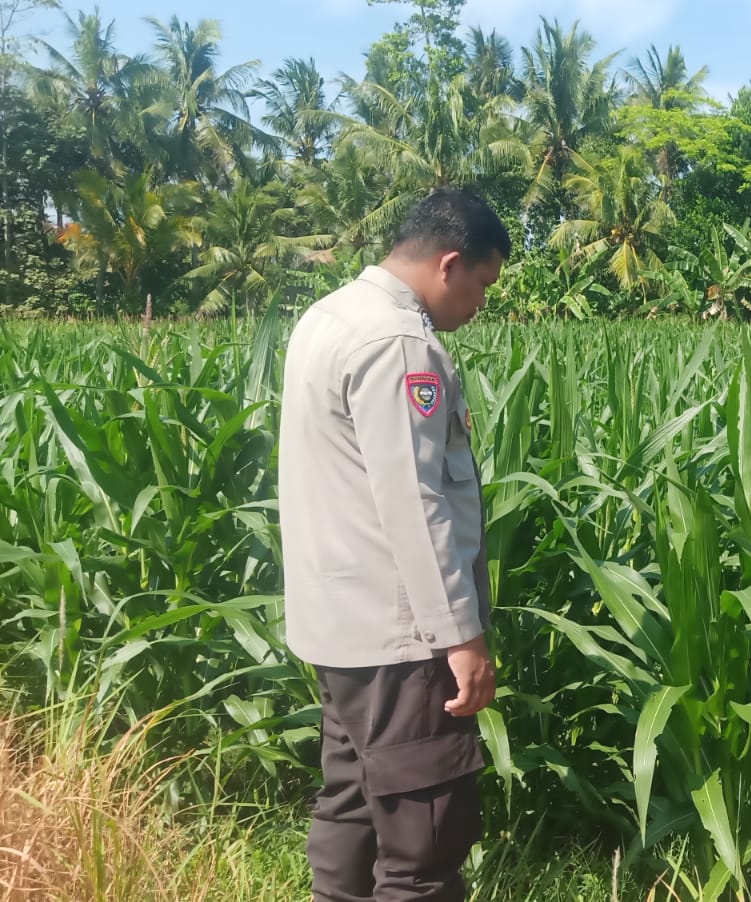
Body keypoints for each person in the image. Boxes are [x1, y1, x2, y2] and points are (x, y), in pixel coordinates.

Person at [278, 187, 509, 901]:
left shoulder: (329, 316)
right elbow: (415, 502)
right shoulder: (399, 343)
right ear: (449, 263)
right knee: (422, 846)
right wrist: (461, 637)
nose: (480, 303)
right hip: (402, 640)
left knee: (351, 804)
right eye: (482, 284)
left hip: (340, 630)